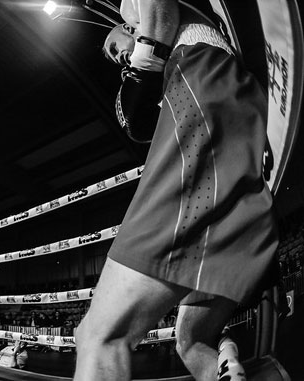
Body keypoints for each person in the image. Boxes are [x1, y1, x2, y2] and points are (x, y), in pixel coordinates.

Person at [74, 1, 278, 380]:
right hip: (227, 99)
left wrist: (145, 56)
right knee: (192, 341)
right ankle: (232, 364)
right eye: (118, 58)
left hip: (199, 83)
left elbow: (157, 11)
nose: (122, 58)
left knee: (98, 336)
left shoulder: (139, 20)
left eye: (118, 46)